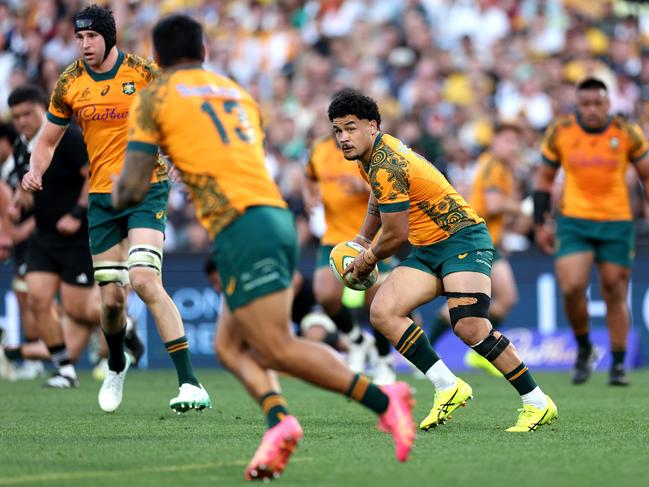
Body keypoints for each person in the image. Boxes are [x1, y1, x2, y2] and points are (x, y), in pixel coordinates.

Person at [113, 14, 415, 480]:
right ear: (204, 53)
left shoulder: (153, 96)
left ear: (156, 58)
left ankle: (384, 399)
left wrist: (115, 193)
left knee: (275, 347)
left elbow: (132, 188)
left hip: (242, 225)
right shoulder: (236, 93)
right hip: (270, 215)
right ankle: (279, 421)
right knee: (230, 345)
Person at [331, 88, 557, 432]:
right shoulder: (370, 158)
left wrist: (366, 258)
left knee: (469, 327)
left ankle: (537, 402)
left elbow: (394, 236)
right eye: (338, 131)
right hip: (428, 247)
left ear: (372, 126)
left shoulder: (385, 162)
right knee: (383, 312)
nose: (344, 138)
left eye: (351, 128)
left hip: (463, 238)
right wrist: (362, 238)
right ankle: (447, 386)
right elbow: (380, 201)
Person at [21, 5, 209, 411]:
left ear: (109, 37)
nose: (85, 45)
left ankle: (190, 382)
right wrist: (35, 170)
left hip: (147, 187)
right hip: (103, 199)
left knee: (143, 278)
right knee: (111, 302)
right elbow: (47, 140)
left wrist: (183, 162)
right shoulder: (70, 81)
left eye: (91, 37)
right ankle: (117, 360)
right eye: (79, 38)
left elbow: (179, 118)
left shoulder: (143, 72)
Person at [4, 85, 144, 387]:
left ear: (45, 109)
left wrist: (77, 213)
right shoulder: (20, 145)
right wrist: (17, 205)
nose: (23, 121)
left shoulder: (66, 139)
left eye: (28, 113)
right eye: (17, 116)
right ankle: (65, 369)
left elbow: (92, 175)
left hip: (78, 236)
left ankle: (126, 327)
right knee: (38, 299)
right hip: (44, 235)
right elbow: (28, 188)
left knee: (77, 307)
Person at [534, 77, 649, 386]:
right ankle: (585, 348)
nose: (592, 110)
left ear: (608, 104)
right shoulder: (562, 131)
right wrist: (540, 223)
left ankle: (619, 363)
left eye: (598, 103)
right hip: (574, 221)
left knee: (614, 289)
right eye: (586, 104)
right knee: (571, 287)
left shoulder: (627, 132)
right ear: (578, 105)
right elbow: (544, 181)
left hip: (616, 222)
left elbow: (646, 175)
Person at [428, 124, 523, 376]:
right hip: (476, 242)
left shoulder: (493, 165)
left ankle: (471, 351)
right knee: (494, 299)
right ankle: (454, 350)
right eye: (507, 140)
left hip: (484, 241)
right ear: (495, 142)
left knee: (478, 301)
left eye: (515, 141)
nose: (512, 146)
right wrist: (522, 208)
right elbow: (493, 204)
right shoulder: (492, 166)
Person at [304, 134, 395, 384]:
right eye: (337, 126)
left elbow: (390, 188)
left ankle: (384, 363)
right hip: (334, 238)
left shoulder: (368, 152)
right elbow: (309, 177)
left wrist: (363, 188)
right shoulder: (319, 151)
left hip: (370, 238)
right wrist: (309, 197)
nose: (342, 133)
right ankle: (356, 340)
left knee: (376, 306)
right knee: (326, 295)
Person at [0, 121, 42, 381]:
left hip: (42, 240)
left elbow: (43, 202)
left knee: (34, 298)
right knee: (27, 296)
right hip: (26, 243)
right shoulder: (8, 170)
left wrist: (18, 233)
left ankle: (36, 358)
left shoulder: (24, 161)